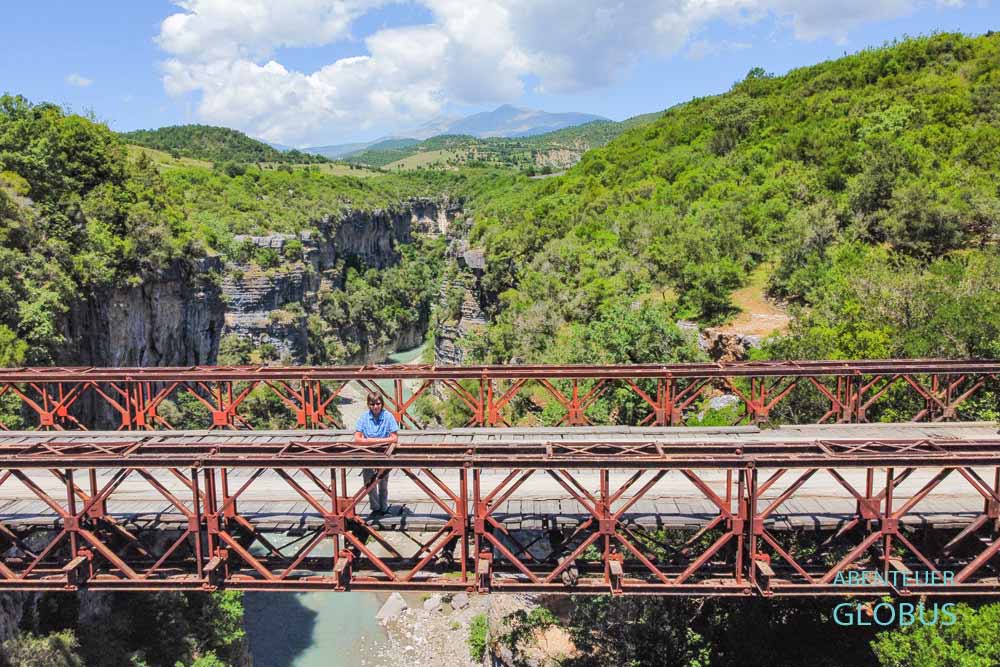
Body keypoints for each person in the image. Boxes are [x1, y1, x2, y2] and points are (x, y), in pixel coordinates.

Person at [354, 392, 399, 515]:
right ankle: (375, 507)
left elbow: (395, 438)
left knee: (383, 482)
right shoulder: (364, 417)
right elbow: (357, 438)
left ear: (382, 404)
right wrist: (383, 440)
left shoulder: (388, 416)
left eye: (378, 403)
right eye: (372, 404)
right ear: (368, 405)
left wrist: (370, 440)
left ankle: (383, 508)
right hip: (368, 453)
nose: (375, 406)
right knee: (369, 482)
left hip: (384, 453)